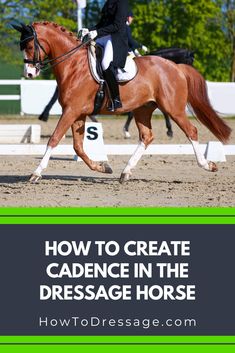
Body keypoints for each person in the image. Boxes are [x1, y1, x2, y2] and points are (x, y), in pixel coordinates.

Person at [81, 0, 129, 112]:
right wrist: (89, 30)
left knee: (105, 64)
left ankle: (116, 99)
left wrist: (97, 32)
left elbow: (117, 25)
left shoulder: (122, 3)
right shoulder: (108, 2)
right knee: (84, 54)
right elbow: (101, 24)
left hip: (115, 38)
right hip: (103, 37)